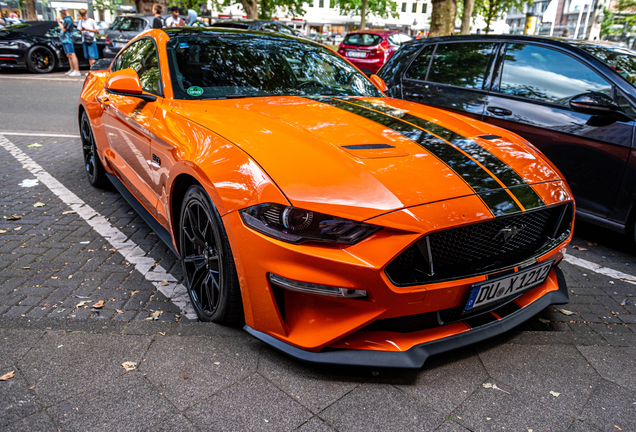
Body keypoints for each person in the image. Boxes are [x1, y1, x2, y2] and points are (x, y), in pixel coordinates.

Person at [56, 8, 80, 77]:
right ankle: (72, 69)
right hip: (65, 39)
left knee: (72, 54)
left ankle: (76, 70)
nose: (60, 12)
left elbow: (63, 29)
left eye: (61, 10)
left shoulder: (68, 19)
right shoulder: (66, 19)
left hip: (68, 39)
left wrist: (58, 22)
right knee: (68, 55)